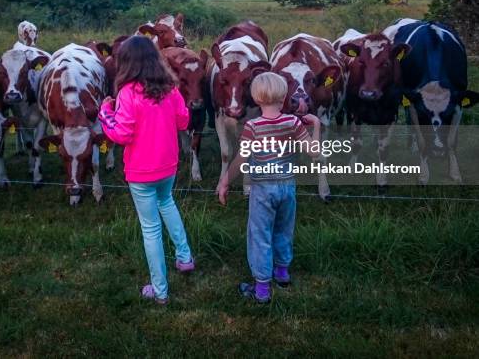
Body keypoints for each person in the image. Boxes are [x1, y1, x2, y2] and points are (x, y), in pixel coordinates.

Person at [98, 36, 195, 305]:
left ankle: (160, 289)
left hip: (141, 171)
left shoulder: (128, 93)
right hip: (168, 165)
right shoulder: (170, 89)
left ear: (126, 63)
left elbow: (121, 134)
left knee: (150, 228)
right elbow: (183, 120)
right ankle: (184, 258)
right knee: (167, 202)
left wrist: (105, 112)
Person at [218, 72, 321, 303]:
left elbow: (241, 160)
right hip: (287, 187)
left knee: (260, 234)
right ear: (284, 95)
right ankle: (282, 273)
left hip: (263, 189)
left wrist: (225, 181)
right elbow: (314, 153)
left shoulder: (253, 127)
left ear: (255, 98)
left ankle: (262, 288)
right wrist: (316, 125)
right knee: (284, 228)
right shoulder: (293, 122)